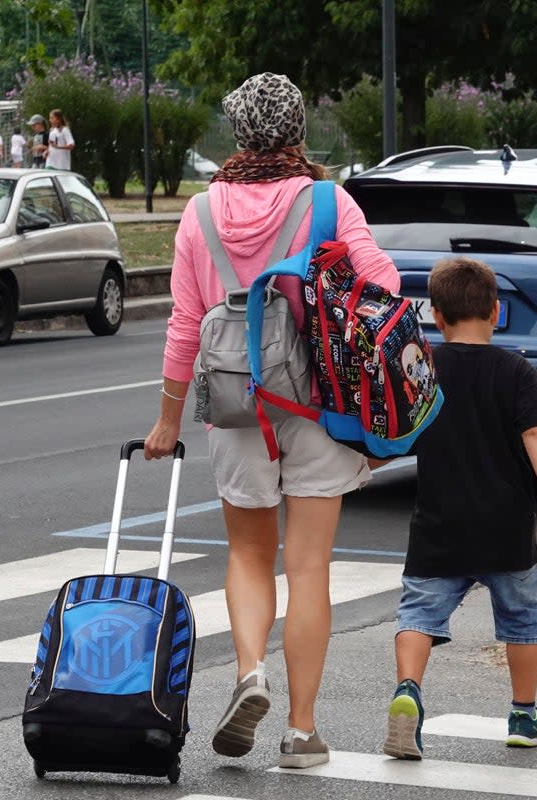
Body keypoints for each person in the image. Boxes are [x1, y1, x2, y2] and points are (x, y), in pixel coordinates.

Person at [143, 72, 400, 769]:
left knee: (249, 556)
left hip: (233, 407)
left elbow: (185, 325)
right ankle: (301, 731)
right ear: (297, 130)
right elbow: (383, 285)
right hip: (317, 403)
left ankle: (248, 673)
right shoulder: (328, 200)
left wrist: (168, 421)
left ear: (236, 131)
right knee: (309, 566)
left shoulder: (198, 215)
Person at [380, 257, 537, 761]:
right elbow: (536, 432)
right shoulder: (516, 369)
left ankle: (408, 692)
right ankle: (525, 714)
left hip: (439, 520)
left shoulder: (425, 368)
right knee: (522, 620)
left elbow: (394, 435)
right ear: (496, 311)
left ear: (436, 316)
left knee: (418, 614)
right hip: (506, 523)